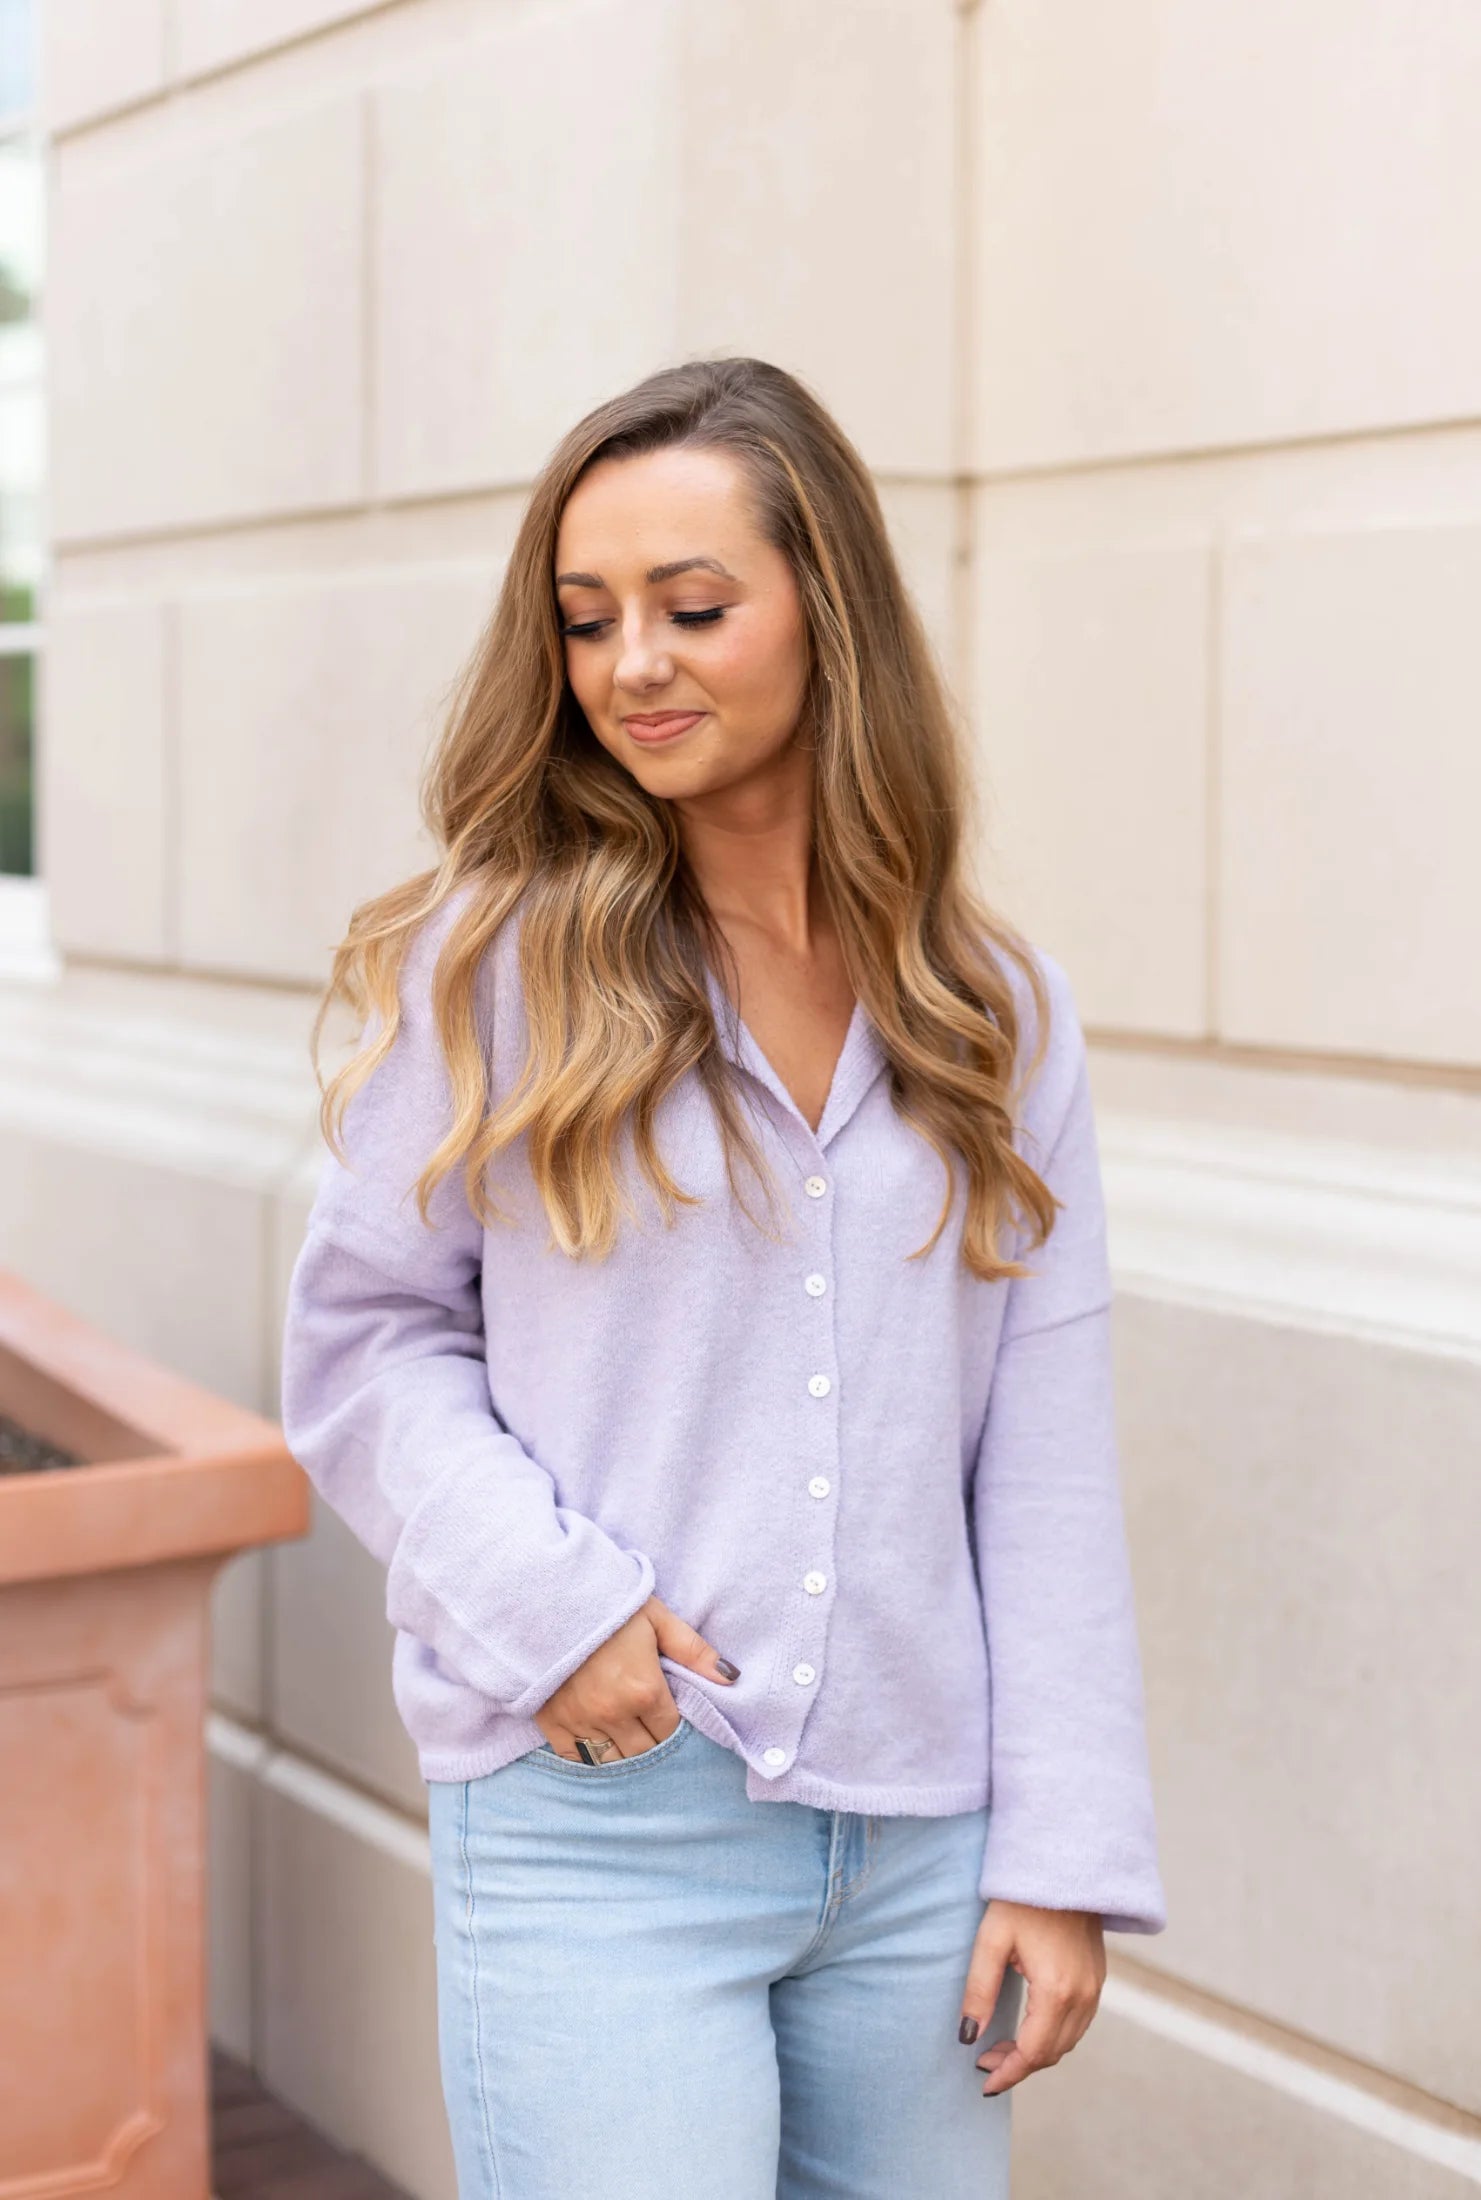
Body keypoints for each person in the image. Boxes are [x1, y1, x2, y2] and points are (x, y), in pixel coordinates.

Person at [279, 355, 1166, 2200]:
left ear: (822, 612)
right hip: (602, 1814)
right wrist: (553, 1613)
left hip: (925, 1840)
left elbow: (1046, 1443)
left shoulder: (995, 1011)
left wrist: (1059, 1850)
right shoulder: (496, 967)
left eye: (692, 608)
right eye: (587, 622)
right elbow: (366, 1345)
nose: (633, 667)